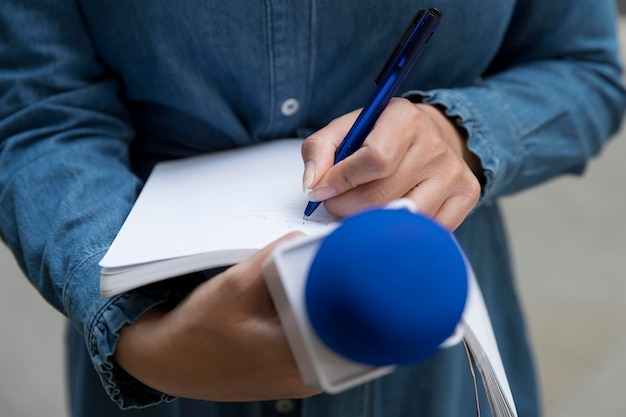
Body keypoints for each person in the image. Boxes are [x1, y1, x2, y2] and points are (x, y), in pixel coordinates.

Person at [0, 1, 624, 416]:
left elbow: (586, 68)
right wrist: (139, 341)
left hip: (420, 332)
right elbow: (38, 115)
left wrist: (456, 132)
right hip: (165, 323)